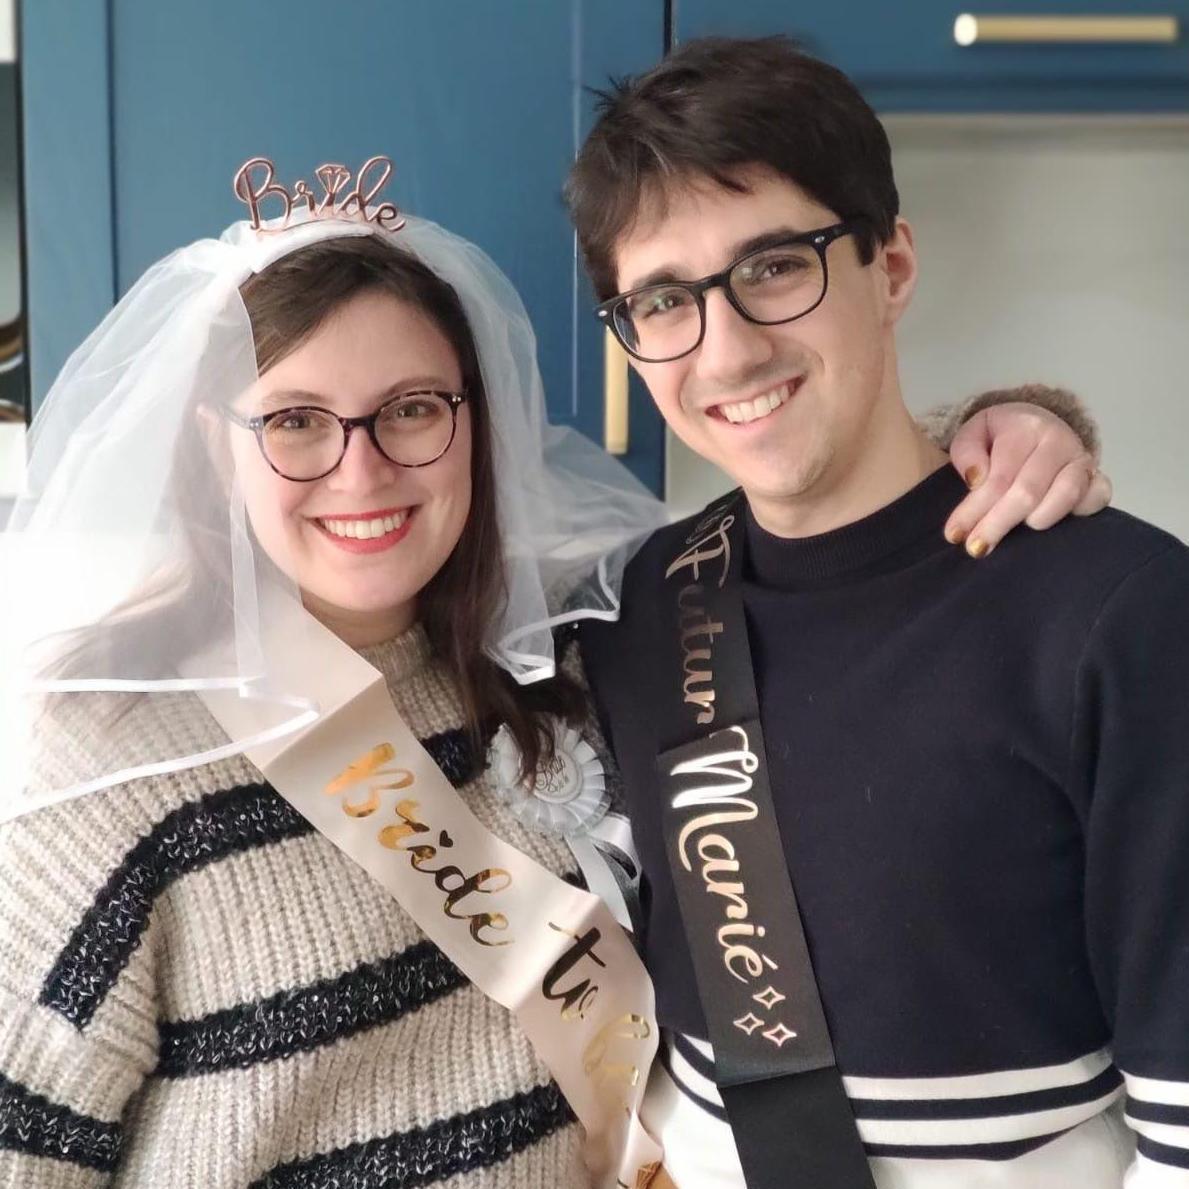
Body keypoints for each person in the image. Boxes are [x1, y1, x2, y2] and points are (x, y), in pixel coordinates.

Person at [0, 155, 1100, 1188]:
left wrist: (1008, 433)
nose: (363, 468)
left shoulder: (565, 645)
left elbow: (813, 530)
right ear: (212, 443)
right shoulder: (105, 769)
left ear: (475, 425)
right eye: (294, 421)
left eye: (413, 409)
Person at [568, 36, 1188, 1189]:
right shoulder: (633, 607)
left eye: (772, 267)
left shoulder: (1118, 612)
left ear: (889, 265)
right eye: (662, 301)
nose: (728, 347)